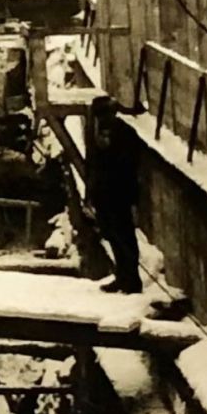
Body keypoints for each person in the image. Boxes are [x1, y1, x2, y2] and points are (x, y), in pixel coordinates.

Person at [87, 93, 143, 294]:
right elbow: (93, 164)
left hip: (119, 193)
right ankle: (121, 276)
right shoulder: (96, 133)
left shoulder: (125, 133)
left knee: (124, 235)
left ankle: (132, 279)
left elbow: (129, 166)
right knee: (111, 234)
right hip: (103, 193)